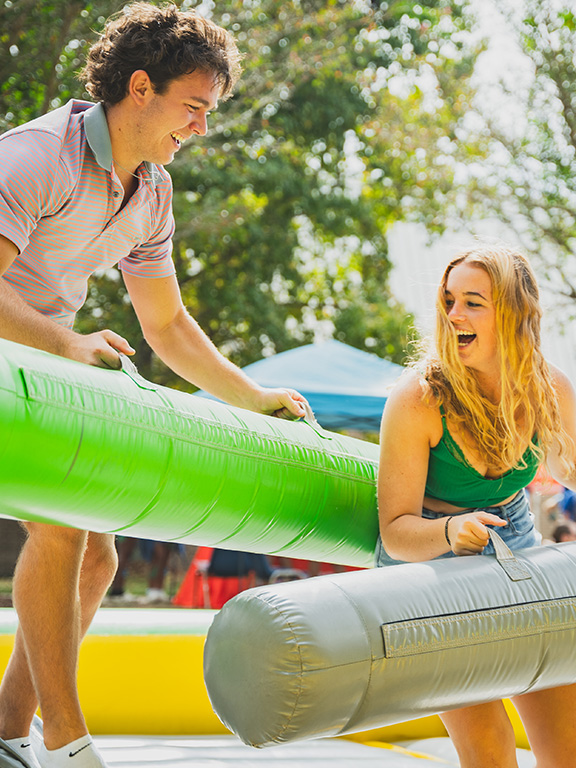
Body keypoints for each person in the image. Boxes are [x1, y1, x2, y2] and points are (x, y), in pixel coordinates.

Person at [0, 5, 306, 768]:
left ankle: (6, 726)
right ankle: (68, 742)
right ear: (141, 87)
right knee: (64, 527)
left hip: (38, 366)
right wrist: (66, 342)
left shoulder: (151, 193)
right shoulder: (39, 156)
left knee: (98, 558)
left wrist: (249, 395)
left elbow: (166, 326)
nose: (202, 127)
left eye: (210, 111)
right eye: (193, 107)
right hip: (24, 357)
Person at [376, 242, 576, 768]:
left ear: (513, 313)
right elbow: (395, 531)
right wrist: (449, 532)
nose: (454, 315)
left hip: (513, 545)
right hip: (428, 562)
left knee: (567, 743)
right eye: (448, 300)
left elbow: (572, 469)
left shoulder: (549, 389)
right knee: (489, 748)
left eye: (473, 302)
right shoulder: (419, 398)